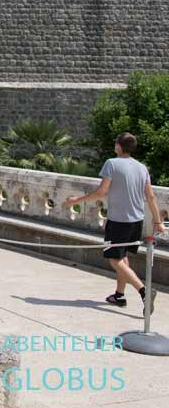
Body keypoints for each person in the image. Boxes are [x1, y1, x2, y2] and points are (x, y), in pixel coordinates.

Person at [64, 132, 164, 310]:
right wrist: (158, 222)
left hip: (119, 221)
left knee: (114, 259)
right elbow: (150, 196)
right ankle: (119, 295)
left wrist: (76, 200)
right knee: (122, 256)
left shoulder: (111, 163)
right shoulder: (142, 167)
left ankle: (144, 291)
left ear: (119, 146)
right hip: (136, 221)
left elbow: (101, 193)